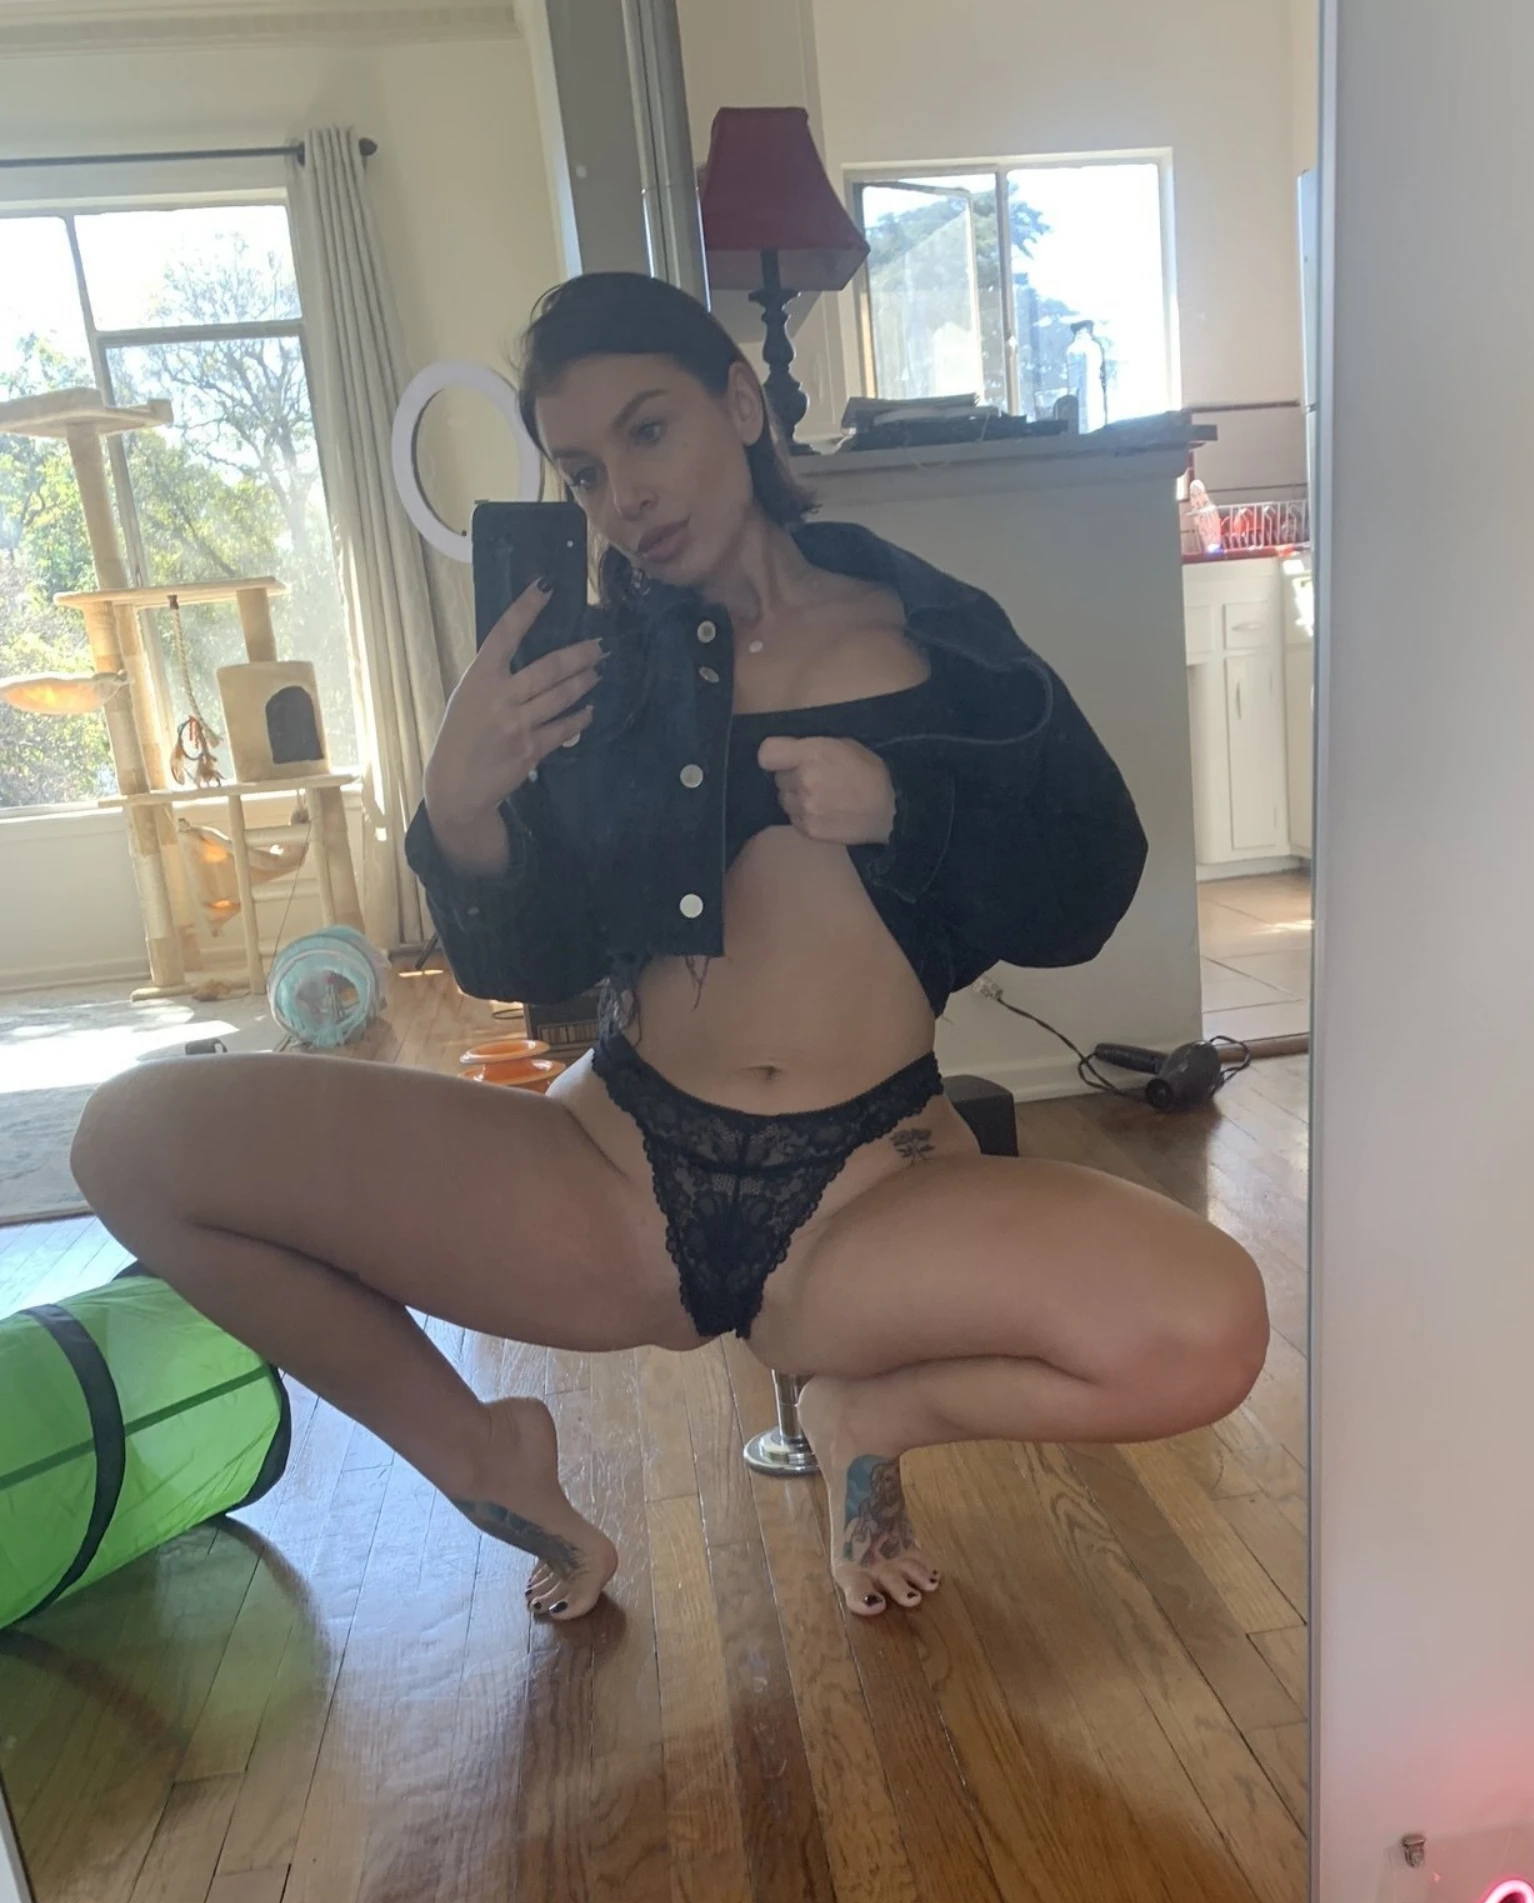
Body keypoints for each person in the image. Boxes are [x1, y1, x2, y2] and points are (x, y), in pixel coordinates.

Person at [70, 272, 1268, 1622]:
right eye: (584, 471)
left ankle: (868, 1416)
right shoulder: (593, 676)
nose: (624, 495)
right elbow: (527, 964)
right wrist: (460, 816)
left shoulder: (936, 632)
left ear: (740, 405)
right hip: (616, 1174)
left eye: (649, 431)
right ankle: (484, 1456)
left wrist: (905, 810)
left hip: (874, 1194)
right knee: (132, 1142)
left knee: (1213, 1329)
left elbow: (1089, 886)